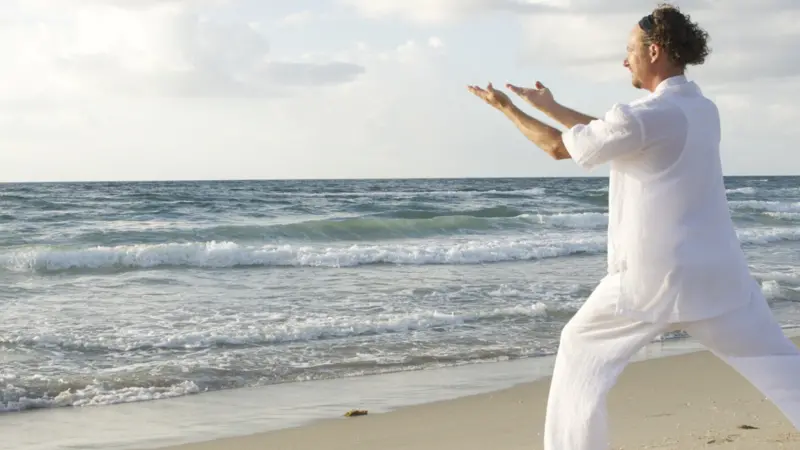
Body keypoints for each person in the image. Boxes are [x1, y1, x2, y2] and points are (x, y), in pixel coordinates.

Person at [467, 3, 800, 449]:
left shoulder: (646, 116)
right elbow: (615, 133)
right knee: (780, 366)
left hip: (652, 282)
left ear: (655, 50)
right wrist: (553, 105)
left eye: (630, 50)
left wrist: (507, 108)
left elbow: (557, 149)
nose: (625, 60)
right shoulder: (700, 108)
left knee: (578, 353)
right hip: (720, 279)